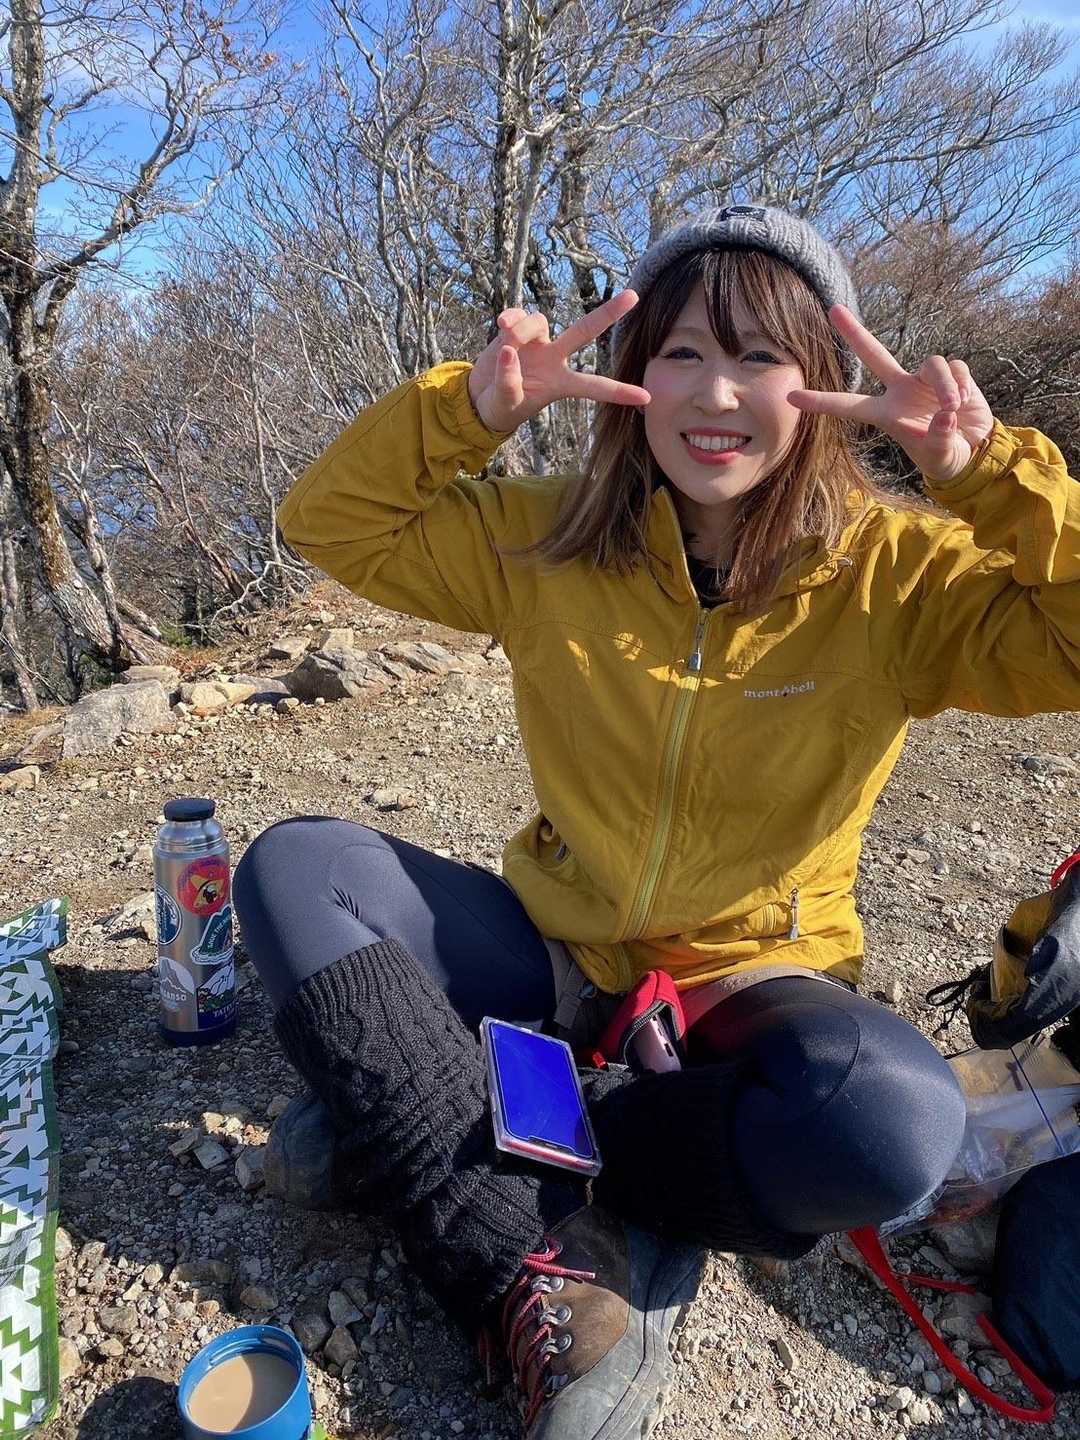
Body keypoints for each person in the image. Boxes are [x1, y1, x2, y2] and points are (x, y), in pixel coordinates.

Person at [233, 205, 1080, 1438]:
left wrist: (992, 476)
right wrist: (468, 412)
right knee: (300, 867)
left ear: (823, 387)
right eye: (682, 353)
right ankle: (534, 1237)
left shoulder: (899, 577)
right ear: (632, 378)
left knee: (891, 1124)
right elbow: (329, 523)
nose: (715, 394)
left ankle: (463, 1122)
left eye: (760, 358)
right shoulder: (547, 535)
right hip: (556, 947)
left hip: (749, 982)